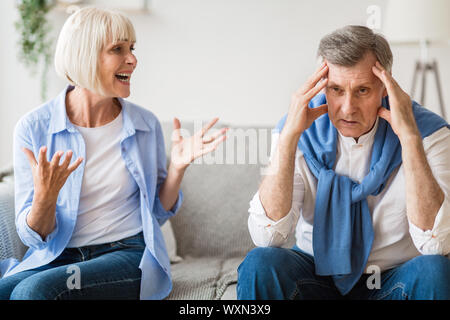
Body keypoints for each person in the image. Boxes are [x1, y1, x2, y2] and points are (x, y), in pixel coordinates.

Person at [0, 7, 226, 300]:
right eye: (117, 49)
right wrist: (45, 197)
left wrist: (178, 169)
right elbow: (33, 237)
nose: (132, 59)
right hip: (58, 256)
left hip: (125, 254)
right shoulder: (34, 128)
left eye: (131, 48)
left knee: (35, 292)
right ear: (84, 55)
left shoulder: (145, 125)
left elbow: (156, 213)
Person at [237, 25, 450, 300]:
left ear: (385, 88)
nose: (348, 108)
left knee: (436, 270)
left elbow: (436, 244)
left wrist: (409, 138)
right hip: (315, 273)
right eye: (336, 89)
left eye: (362, 90)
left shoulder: (430, 133)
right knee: (260, 263)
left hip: (393, 276)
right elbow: (268, 237)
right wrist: (289, 137)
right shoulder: (299, 129)